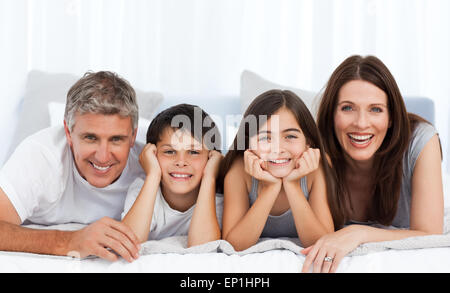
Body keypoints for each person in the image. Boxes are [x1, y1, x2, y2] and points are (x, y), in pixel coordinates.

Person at [301, 55, 444, 273]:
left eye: (375, 109)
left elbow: (429, 233)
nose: (361, 123)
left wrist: (359, 233)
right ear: (331, 115)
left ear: (391, 118)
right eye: (348, 108)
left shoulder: (421, 140)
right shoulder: (314, 151)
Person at [0, 71, 144, 262]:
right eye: (90, 138)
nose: (102, 156)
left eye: (116, 139)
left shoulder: (150, 165)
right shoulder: (41, 155)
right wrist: (69, 241)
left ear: (133, 136)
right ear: (68, 132)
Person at [219, 89, 338, 251]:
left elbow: (322, 243)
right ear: (249, 145)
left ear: (308, 142)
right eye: (265, 138)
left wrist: (293, 185)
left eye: (290, 136)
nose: (278, 149)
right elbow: (235, 245)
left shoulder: (315, 170)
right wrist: (270, 188)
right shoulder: (239, 172)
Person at [121, 104, 223, 246]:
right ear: (152, 154)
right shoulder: (142, 189)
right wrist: (153, 175)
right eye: (169, 151)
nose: (181, 162)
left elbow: (203, 248)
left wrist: (210, 177)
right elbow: (128, 242)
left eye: (193, 152)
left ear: (211, 158)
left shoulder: (217, 199)